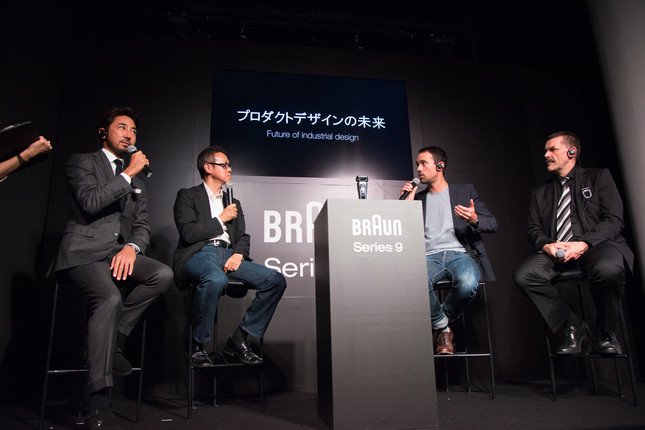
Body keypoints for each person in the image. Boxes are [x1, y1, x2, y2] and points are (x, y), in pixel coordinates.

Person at [54, 107, 173, 430]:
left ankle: (116, 336)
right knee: (109, 298)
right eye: (121, 127)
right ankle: (97, 403)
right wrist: (127, 174)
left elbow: (142, 226)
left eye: (133, 130)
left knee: (162, 275)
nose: (129, 134)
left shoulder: (138, 180)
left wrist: (132, 248)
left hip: (117, 252)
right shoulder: (82, 162)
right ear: (103, 132)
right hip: (82, 253)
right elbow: (91, 202)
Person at [514, 131, 633, 355]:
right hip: (557, 251)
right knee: (525, 275)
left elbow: (614, 220)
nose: (546, 155)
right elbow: (533, 230)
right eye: (545, 151)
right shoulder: (540, 193)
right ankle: (573, 326)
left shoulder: (599, 177)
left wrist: (584, 243)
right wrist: (547, 245)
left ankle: (606, 332)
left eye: (552, 149)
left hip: (596, 246)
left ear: (571, 151)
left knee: (608, 269)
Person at [173, 146, 286, 367]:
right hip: (199, 253)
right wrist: (221, 219)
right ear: (208, 167)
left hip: (228, 254)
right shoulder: (188, 196)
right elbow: (189, 233)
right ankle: (197, 344)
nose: (229, 169)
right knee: (216, 279)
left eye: (229, 165)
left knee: (275, 280)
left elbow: (242, 236)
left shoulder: (233, 202)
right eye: (224, 165)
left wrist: (238, 254)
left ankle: (239, 339)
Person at [400, 146, 497, 355]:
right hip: (428, 256)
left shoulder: (464, 191)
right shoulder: (418, 198)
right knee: (414, 281)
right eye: (417, 164)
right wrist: (406, 204)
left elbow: (492, 223)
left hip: (459, 254)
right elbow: (401, 233)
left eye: (423, 163)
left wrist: (474, 219)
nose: (418, 169)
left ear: (440, 165)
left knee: (468, 283)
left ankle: (439, 324)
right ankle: (444, 329)